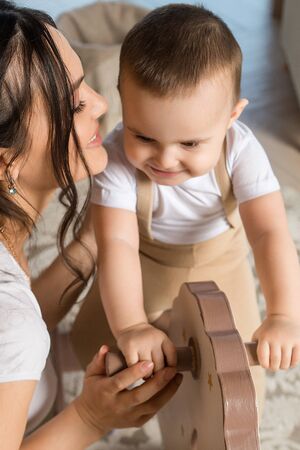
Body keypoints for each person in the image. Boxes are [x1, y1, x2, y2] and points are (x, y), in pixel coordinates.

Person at [88, 3, 300, 413]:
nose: (165, 160)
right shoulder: (114, 157)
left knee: (237, 377)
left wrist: (284, 314)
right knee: (110, 351)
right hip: (145, 263)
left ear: (231, 118)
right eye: (143, 135)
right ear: (123, 105)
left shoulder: (241, 148)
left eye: (189, 143)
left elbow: (270, 232)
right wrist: (131, 324)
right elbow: (115, 244)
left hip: (220, 264)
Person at [0, 1, 182, 449]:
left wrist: (91, 241)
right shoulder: (13, 325)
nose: (102, 103)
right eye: (76, 102)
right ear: (8, 162)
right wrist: (88, 416)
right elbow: (15, 328)